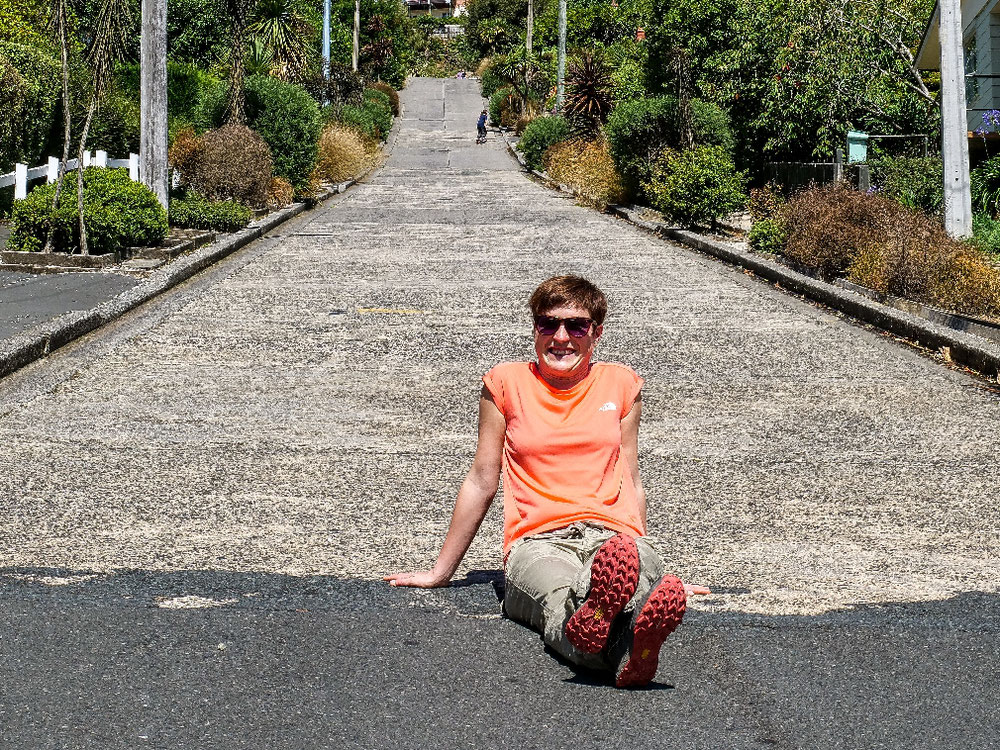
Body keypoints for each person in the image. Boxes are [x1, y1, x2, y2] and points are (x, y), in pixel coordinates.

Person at [385, 275, 709, 688]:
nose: (561, 337)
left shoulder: (622, 384)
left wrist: (655, 562)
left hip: (616, 538)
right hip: (537, 540)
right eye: (547, 324)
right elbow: (482, 479)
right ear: (534, 329)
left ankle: (617, 631)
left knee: (632, 579)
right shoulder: (505, 383)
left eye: (576, 325)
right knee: (560, 599)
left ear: (596, 332)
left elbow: (630, 476)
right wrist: (441, 572)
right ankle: (629, 649)